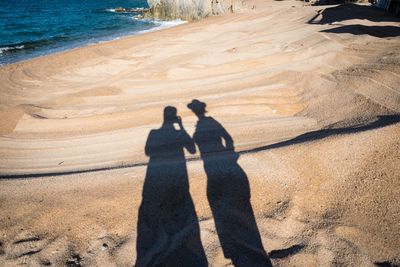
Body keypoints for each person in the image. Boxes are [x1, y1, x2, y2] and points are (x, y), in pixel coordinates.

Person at [188, 99, 272, 267]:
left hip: (217, 168)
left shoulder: (209, 122)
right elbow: (228, 140)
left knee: (227, 207)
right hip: (217, 166)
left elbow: (225, 140)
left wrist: (227, 155)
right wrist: (228, 154)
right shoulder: (209, 122)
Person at [135, 106, 207, 267]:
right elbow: (192, 149)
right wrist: (180, 129)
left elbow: (148, 151)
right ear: (173, 118)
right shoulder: (173, 133)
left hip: (157, 173)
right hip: (178, 173)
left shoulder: (154, 133)